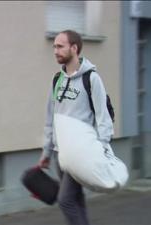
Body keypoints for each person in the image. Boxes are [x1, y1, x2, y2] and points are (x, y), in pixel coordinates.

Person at [38, 30, 114, 225]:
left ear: (74, 48)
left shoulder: (91, 79)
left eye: (60, 46)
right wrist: (46, 151)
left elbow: (103, 117)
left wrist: (102, 148)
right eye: (54, 46)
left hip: (80, 153)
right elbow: (50, 117)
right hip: (59, 153)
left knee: (65, 200)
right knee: (76, 198)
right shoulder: (57, 79)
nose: (55, 50)